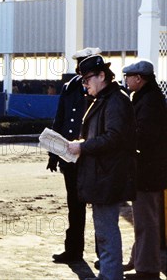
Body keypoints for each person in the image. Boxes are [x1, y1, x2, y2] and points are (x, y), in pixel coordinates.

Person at [67, 54, 136, 280]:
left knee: (107, 232)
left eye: (87, 79)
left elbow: (114, 137)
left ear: (102, 76)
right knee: (104, 231)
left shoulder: (115, 100)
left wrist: (83, 146)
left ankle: (110, 276)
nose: (85, 85)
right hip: (103, 175)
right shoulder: (107, 99)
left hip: (108, 176)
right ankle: (108, 274)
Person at [48, 47, 101, 265]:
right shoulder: (69, 88)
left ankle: (103, 255)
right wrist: (53, 153)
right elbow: (60, 120)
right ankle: (74, 250)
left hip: (91, 156)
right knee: (74, 205)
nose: (80, 67)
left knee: (99, 208)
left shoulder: (99, 89)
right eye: (79, 63)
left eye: (84, 63)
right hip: (70, 157)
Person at [121, 60, 167, 280]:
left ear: (138, 78)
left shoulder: (148, 102)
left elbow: (144, 137)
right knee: (145, 219)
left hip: (147, 172)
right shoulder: (150, 98)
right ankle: (140, 260)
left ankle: (147, 269)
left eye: (128, 76)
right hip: (151, 171)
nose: (126, 80)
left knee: (147, 221)